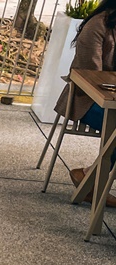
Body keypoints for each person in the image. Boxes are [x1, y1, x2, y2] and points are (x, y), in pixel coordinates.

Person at [55, 0, 116, 205]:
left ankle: (88, 178)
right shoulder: (98, 25)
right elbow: (91, 77)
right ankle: (92, 180)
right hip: (87, 100)